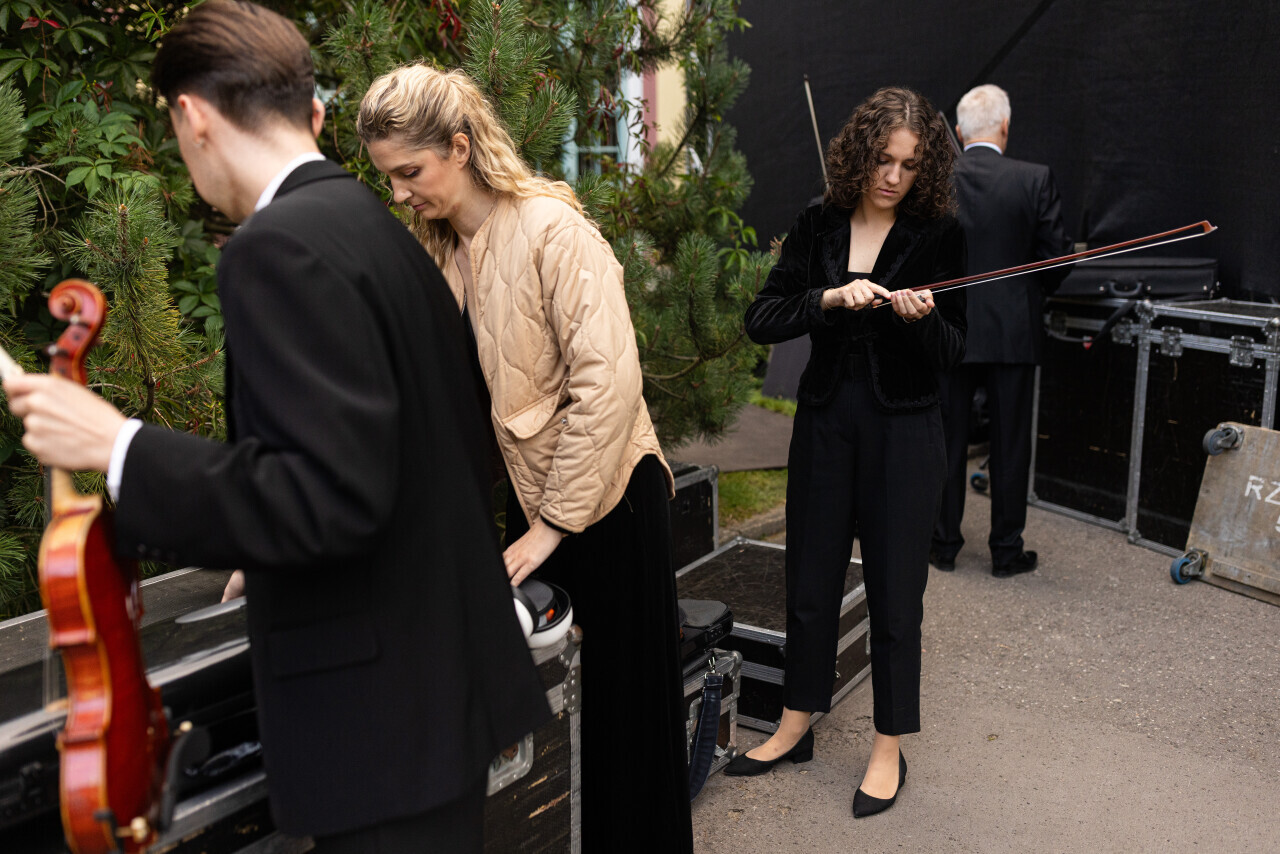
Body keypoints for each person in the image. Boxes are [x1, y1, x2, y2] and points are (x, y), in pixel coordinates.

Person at [3, 2, 550, 850]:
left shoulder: (277, 248)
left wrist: (116, 447)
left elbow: (325, 497)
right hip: (436, 693)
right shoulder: (379, 230)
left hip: (378, 723)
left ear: (192, 117)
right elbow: (396, 455)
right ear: (314, 114)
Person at [355, 64, 693, 852]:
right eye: (388, 177)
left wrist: (552, 525)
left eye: (410, 172)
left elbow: (608, 384)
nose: (399, 193)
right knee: (563, 725)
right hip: (535, 508)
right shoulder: (441, 250)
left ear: (460, 147)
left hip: (608, 503)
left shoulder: (552, 229)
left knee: (623, 721)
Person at [733, 87, 966, 819]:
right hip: (827, 423)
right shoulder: (819, 222)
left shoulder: (939, 233)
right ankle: (795, 719)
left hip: (906, 431)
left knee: (896, 591)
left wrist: (920, 319)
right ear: (859, 153)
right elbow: (761, 318)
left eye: (909, 165)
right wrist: (828, 298)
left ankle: (889, 744)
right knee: (810, 576)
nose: (893, 177)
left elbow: (954, 352)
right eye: (883, 159)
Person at [930, 84, 1072, 579]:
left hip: (950, 330)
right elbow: (1058, 258)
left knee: (947, 440)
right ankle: (1006, 552)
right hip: (1013, 332)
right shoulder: (1034, 178)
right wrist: (1026, 296)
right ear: (1005, 127)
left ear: (960, 130)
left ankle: (943, 544)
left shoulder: (937, 181)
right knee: (1010, 445)